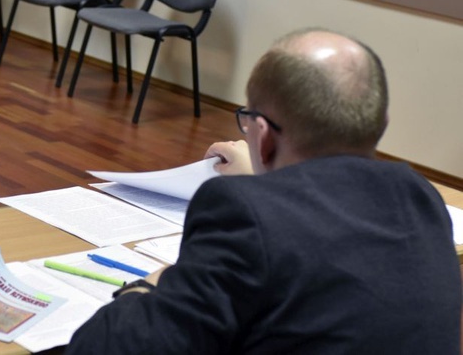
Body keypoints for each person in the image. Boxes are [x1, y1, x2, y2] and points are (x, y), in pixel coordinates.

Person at [67, 29, 461, 353]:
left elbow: (105, 348)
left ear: (263, 135)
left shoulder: (241, 211)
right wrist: (263, 190)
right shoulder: (419, 196)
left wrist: (150, 284)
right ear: (382, 123)